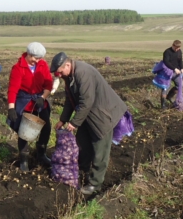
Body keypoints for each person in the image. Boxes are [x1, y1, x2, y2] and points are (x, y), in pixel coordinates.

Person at [50, 52, 128, 196]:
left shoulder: (82, 73)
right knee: (82, 142)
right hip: (88, 114)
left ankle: (95, 184)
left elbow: (86, 101)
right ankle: (82, 169)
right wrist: (63, 119)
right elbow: (70, 100)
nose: (59, 75)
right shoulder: (69, 76)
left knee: (100, 150)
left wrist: (74, 122)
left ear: (67, 65)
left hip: (103, 114)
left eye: (60, 71)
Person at [7, 43, 53, 172]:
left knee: (46, 128)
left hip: (39, 100)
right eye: (35, 58)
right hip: (25, 101)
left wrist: (42, 98)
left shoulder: (42, 65)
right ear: (29, 54)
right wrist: (11, 108)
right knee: (24, 131)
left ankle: (41, 154)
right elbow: (13, 90)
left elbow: (48, 84)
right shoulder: (18, 68)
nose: (38, 61)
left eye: (39, 58)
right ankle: (24, 161)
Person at [160, 40, 183, 110]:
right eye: (176, 48)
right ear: (173, 45)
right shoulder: (167, 52)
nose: (177, 49)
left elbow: (180, 60)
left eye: (178, 48)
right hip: (167, 72)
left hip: (176, 73)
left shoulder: (179, 51)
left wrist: (182, 68)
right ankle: (163, 106)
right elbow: (166, 62)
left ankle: (169, 96)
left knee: (180, 85)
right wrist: (174, 69)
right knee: (165, 88)